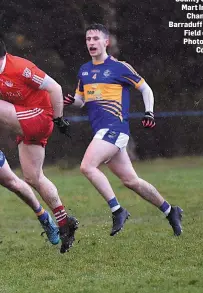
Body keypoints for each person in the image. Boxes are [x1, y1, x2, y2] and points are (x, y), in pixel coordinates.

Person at [64, 23, 183, 237]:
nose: (91, 42)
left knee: (87, 166)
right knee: (131, 181)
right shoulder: (84, 70)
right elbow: (82, 100)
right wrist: (71, 100)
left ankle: (118, 210)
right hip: (102, 132)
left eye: (96, 39)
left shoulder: (120, 67)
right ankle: (170, 211)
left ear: (106, 42)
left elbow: (145, 88)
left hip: (114, 129)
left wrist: (149, 112)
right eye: (88, 39)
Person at [0, 39, 78, 253]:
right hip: (26, 121)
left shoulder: (20, 68)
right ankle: (64, 223)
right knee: (33, 177)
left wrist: (59, 119)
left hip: (40, 117)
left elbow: (55, 87)